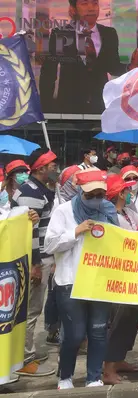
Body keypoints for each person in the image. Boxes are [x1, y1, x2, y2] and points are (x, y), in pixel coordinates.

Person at [43, 169, 118, 389]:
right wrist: (76, 231)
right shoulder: (64, 211)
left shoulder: (108, 211)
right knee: (75, 335)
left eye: (100, 195)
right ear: (79, 192)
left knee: (98, 331)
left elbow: (120, 244)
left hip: (99, 282)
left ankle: (93, 377)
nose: (96, 200)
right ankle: (65, 376)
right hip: (70, 282)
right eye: (90, 195)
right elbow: (49, 245)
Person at [39, 0, 138, 114]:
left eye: (95, 3)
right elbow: (48, 74)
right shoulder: (60, 34)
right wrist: (46, 108)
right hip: (69, 108)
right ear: (73, 9)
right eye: (84, 4)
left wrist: (130, 67)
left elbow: (112, 66)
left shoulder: (109, 33)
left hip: (100, 107)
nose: (91, 8)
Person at [11, 149, 60, 377]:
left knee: (32, 308)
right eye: (53, 165)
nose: (56, 168)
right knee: (30, 310)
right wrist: (36, 264)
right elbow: (30, 232)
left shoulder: (40, 189)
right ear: (41, 168)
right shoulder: (31, 192)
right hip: (35, 258)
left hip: (40, 257)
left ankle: (26, 351)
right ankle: (24, 359)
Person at [100, 174, 138, 384]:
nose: (129, 193)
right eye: (126, 191)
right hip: (119, 274)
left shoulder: (128, 212)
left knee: (131, 318)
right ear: (119, 193)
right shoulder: (109, 217)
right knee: (118, 320)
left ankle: (119, 359)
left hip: (134, 270)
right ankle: (108, 368)